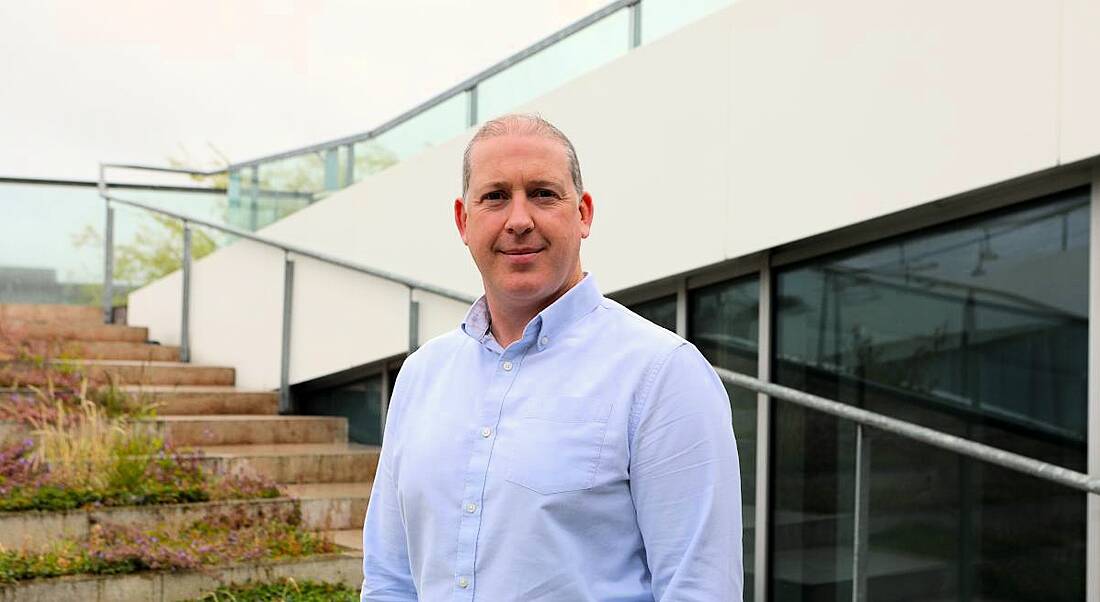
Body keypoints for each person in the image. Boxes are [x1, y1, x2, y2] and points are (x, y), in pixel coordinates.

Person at [361, 113, 742, 601]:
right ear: (463, 220)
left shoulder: (662, 375)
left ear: (583, 213)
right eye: (495, 196)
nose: (519, 220)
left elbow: (699, 589)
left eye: (543, 194)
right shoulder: (420, 377)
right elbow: (390, 580)